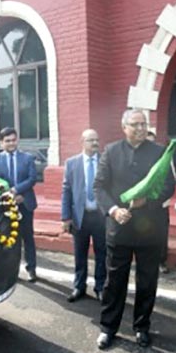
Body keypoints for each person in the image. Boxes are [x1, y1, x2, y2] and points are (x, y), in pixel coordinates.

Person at [94, 109, 175, 350]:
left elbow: (168, 186)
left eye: (143, 124)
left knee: (147, 281)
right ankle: (108, 328)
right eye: (135, 124)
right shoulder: (111, 151)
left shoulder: (158, 152)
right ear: (124, 127)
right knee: (114, 282)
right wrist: (113, 210)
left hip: (150, 229)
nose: (141, 128)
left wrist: (146, 202)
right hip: (119, 228)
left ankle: (142, 327)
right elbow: (99, 187)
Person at [61, 129, 106, 302]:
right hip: (80, 217)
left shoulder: (105, 161)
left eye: (97, 140)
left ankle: (100, 287)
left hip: (101, 217)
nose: (95, 143)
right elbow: (66, 191)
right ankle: (79, 287)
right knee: (80, 254)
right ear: (82, 142)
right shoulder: (72, 163)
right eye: (90, 140)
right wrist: (66, 217)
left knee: (102, 254)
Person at [0, 127, 39, 282]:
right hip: (6, 206)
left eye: (13, 140)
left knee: (28, 237)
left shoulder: (28, 158)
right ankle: (12, 271)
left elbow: (32, 179)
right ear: (1, 143)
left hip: (25, 203)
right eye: (7, 141)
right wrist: (10, 196)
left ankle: (31, 269)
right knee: (10, 239)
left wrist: (17, 191)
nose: (11, 143)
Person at [146, 129, 170, 274]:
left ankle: (161, 261)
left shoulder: (163, 158)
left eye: (152, 142)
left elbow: (169, 182)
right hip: (142, 206)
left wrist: (158, 198)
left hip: (160, 204)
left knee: (161, 234)